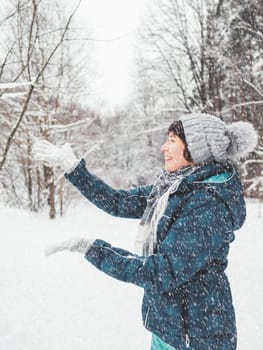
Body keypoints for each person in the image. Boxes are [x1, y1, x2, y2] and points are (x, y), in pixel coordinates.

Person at [33, 113, 257, 350]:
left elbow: (161, 271)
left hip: (196, 336)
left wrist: (94, 250)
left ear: (195, 147)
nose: (163, 147)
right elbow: (118, 202)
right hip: (170, 327)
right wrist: (75, 170)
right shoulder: (174, 188)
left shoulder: (208, 203)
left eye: (172, 140)